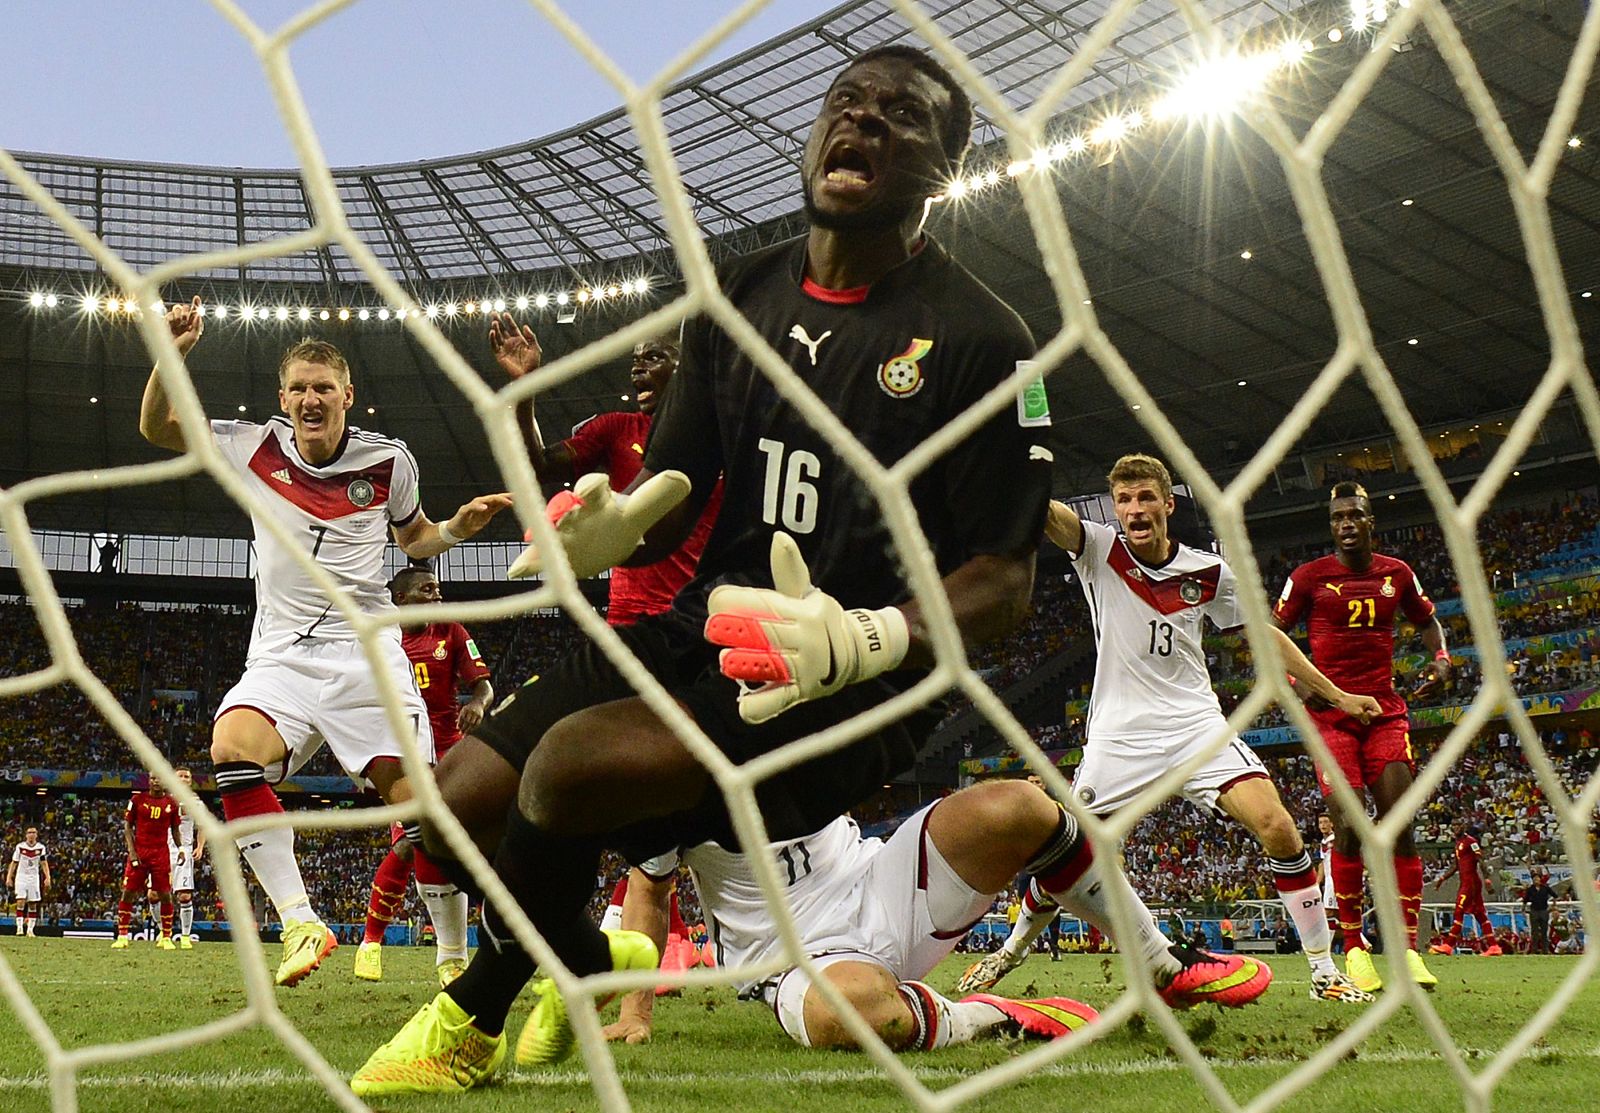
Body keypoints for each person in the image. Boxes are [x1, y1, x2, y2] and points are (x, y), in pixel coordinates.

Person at [353, 44, 1059, 1095]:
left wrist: (872, 636)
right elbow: (669, 490)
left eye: (900, 117)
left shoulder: (981, 342)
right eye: (846, 103)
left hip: (849, 691)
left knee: (569, 769)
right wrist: (611, 528)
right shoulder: (738, 297)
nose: (861, 123)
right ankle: (588, 964)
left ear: (945, 165)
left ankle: (473, 1017)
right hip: (708, 631)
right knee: (452, 807)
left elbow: (1005, 582)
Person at [140, 306, 512, 987]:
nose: (312, 399)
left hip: (365, 654)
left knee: (421, 814)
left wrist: (457, 528)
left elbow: (414, 539)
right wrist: (172, 351)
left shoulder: (389, 460)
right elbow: (157, 426)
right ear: (283, 399)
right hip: (281, 653)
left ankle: (454, 955)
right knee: (231, 748)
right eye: (300, 388)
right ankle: (300, 921)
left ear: (348, 395)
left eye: (324, 387)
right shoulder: (253, 446)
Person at [982, 454, 1384, 1006]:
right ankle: (1012, 949)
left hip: (1195, 725)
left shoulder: (1209, 571)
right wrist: (1019, 464)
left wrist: (1336, 694)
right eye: (1124, 500)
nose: (1134, 509)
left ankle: (1323, 970)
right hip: (1119, 736)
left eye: (1145, 497)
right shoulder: (1100, 551)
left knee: (1278, 826)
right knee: (1067, 852)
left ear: (1167, 504)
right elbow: (1050, 517)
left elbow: (1265, 637)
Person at [487, 321, 722, 1043]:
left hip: (702, 640)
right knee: (619, 833)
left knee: (663, 842)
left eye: (658, 355)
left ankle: (618, 997)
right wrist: (522, 390)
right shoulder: (616, 430)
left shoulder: (722, 435)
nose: (642, 366)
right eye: (636, 359)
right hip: (621, 641)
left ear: (689, 370)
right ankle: (609, 991)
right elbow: (539, 466)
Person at [1272, 480, 1452, 994]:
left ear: (1372, 521)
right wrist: (1297, 685)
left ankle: (1409, 950)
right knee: (1350, 825)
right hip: (1330, 717)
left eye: (1354, 515)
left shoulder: (1397, 574)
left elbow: (1429, 623)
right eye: (1337, 519)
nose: (1346, 524)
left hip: (1383, 712)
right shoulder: (1308, 578)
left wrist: (1440, 659)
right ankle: (1354, 948)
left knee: (1399, 821)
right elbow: (1269, 635)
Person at [356, 564, 495, 987]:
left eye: (437, 588)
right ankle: (371, 941)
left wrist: (478, 704)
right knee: (408, 848)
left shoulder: (450, 631)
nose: (437, 595)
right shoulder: (381, 639)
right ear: (400, 599)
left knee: (455, 844)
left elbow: (483, 685)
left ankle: (453, 956)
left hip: (452, 752)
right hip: (405, 756)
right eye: (426, 589)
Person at [114, 779, 181, 949]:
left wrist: (181, 848)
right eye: (153, 778)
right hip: (140, 852)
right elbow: (127, 826)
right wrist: (132, 852)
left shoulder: (171, 803)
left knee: (165, 894)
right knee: (128, 892)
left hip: (161, 853)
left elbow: (175, 829)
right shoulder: (137, 800)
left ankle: (166, 937)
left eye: (159, 777)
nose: (157, 781)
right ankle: (122, 936)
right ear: (148, 781)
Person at [1432, 824, 1499, 955]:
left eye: (1458, 826)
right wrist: (1442, 878)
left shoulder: (1471, 842)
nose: (1455, 828)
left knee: (1459, 910)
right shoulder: (1458, 844)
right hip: (1465, 882)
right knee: (1480, 914)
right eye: (1454, 826)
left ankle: (1448, 945)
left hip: (1471, 883)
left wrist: (1487, 879)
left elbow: (1480, 860)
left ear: (1463, 827)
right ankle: (1494, 946)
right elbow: (1455, 866)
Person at [167, 767, 206, 948]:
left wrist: (200, 846)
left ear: (190, 781)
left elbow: (203, 825)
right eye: (179, 776)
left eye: (186, 777)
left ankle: (184, 936)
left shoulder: (196, 803)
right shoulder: (164, 800)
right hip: (163, 851)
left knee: (184, 896)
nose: (183, 779)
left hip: (184, 852)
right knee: (155, 895)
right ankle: (163, 934)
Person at [8, 826, 50, 937]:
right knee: (20, 901)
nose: (31, 834)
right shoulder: (20, 847)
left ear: (36, 835)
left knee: (33, 904)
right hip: (21, 877)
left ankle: (30, 930)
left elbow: (43, 863)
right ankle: (20, 928)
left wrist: (47, 877)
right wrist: (9, 877)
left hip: (34, 878)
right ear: (26, 835)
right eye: (29, 832)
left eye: (33, 832)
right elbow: (14, 863)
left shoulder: (41, 848)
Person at [1316, 813, 1340, 952]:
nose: (1323, 825)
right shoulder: (1324, 842)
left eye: (1326, 822)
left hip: (1336, 878)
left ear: (1332, 824)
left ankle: (1325, 948)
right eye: (1320, 823)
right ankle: (1364, 943)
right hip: (1330, 879)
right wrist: (1317, 883)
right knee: (1339, 914)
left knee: (1328, 912)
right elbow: (1322, 864)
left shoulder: (1336, 839)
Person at [1521, 870, 1558, 954]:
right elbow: (1525, 900)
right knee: (1534, 932)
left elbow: (1555, 895)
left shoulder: (1545, 888)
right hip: (1534, 911)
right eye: (1534, 879)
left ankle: (1545, 950)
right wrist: (1523, 909)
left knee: (1544, 931)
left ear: (1540, 879)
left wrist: (1553, 905)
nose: (1536, 880)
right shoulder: (1530, 889)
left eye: (1537, 878)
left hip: (1544, 911)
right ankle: (1534, 950)